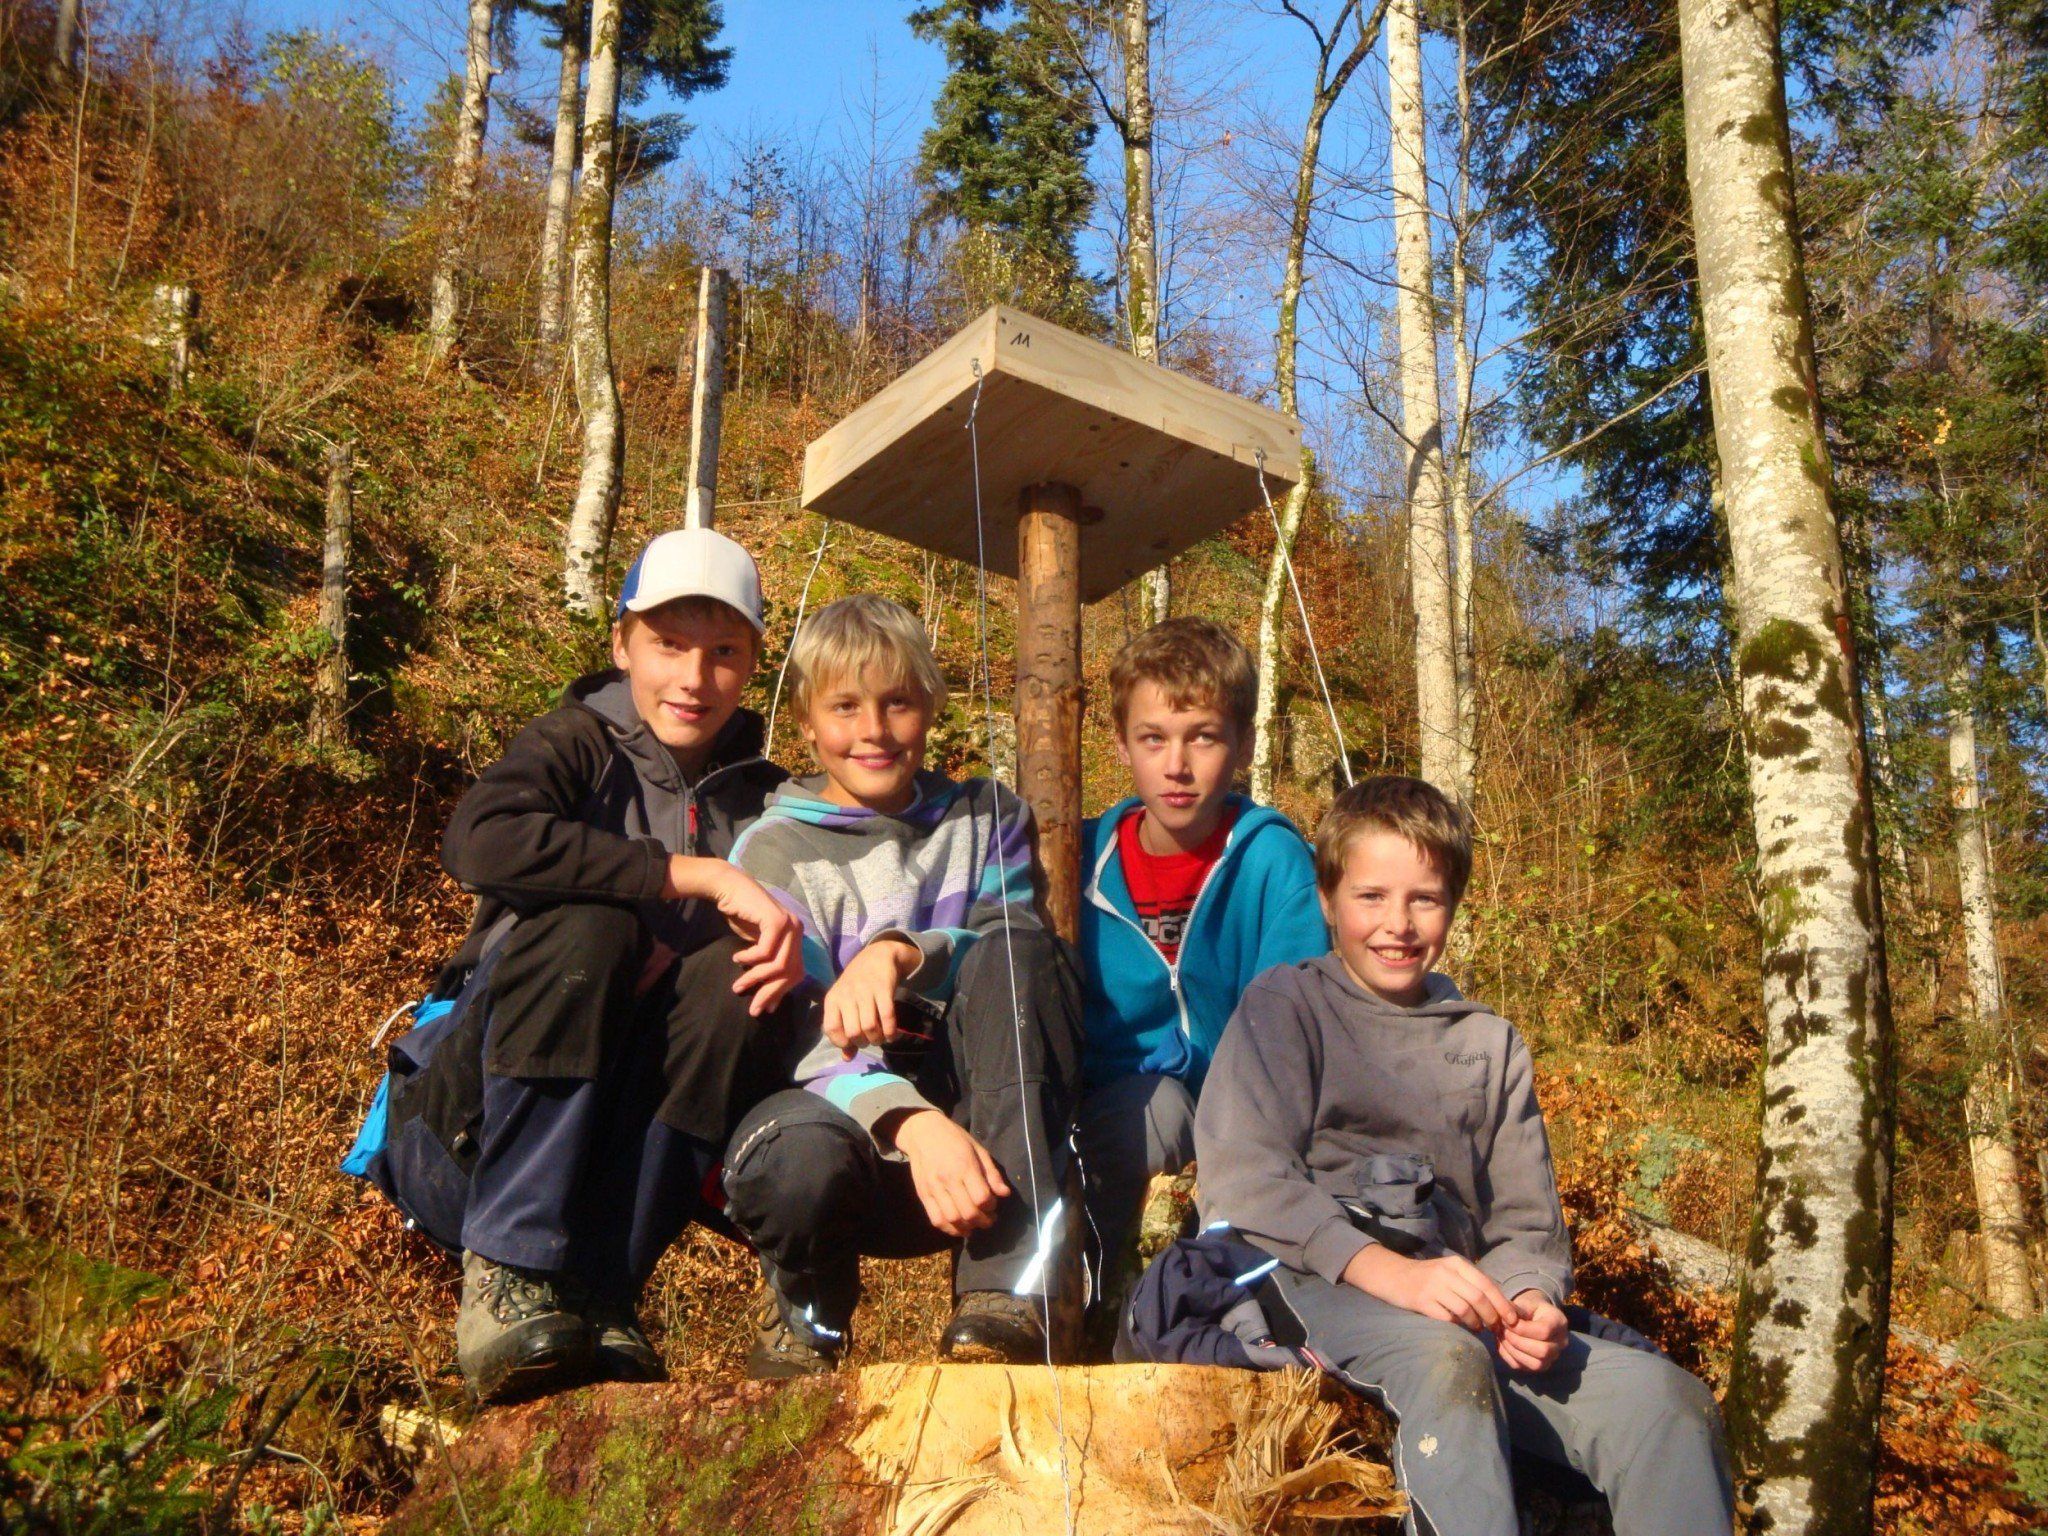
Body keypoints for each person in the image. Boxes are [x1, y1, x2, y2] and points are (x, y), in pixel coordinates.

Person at [1194, 776, 1735, 1535]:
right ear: (1327, 900)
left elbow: (1525, 1224)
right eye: (1371, 897)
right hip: (1311, 1286)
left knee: (1667, 1404)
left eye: (1425, 899)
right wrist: (1389, 1273)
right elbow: (1244, 1179)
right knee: (1446, 1362)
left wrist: (1533, 1301)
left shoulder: (1488, 1042)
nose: (1398, 924)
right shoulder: (1286, 1007)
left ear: (1453, 905)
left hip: (1466, 1309)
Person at [408, 528, 806, 1402]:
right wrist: (684, 875)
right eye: (668, 644)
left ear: (752, 666)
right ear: (622, 644)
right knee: (592, 928)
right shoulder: (574, 743)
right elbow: (478, 841)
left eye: (723, 652)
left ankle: (603, 1288)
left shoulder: (767, 799)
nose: (694, 678)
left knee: (742, 982)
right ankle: (508, 1273)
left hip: (628, 1139)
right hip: (470, 1128)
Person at [719, 595, 1083, 1378]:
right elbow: (803, 1033)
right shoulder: (770, 851)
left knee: (1020, 954)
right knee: (793, 1161)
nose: (875, 731)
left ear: (931, 707)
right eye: (845, 707)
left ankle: (1005, 1292)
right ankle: (807, 1319)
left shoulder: (985, 817)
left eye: (898, 703)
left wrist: (898, 952)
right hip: (837, 1123)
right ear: (807, 721)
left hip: (986, 1146)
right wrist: (912, 1125)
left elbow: (1012, 942)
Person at [1074, 618, 1325, 1274]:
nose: (1177, 766)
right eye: (1153, 739)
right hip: (1112, 1113)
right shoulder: (1078, 860)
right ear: (1121, 743)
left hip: (1247, 1119)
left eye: (1204, 738)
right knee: (1153, 1110)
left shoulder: (1272, 860)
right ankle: (1090, 1294)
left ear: (1243, 743)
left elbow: (1291, 1028)